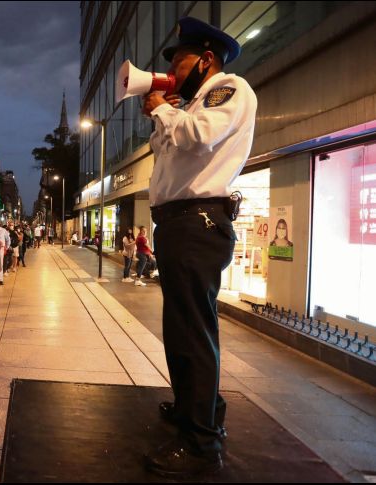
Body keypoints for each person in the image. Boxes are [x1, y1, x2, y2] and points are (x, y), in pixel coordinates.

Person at [141, 17, 257, 477]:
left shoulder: (228, 88)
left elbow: (198, 135)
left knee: (191, 331)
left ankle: (200, 442)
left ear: (205, 59)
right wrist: (167, 111)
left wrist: (165, 110)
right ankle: (199, 409)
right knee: (183, 327)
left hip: (197, 223)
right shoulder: (192, 104)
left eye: (179, 60)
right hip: (178, 224)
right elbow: (169, 150)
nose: (171, 70)